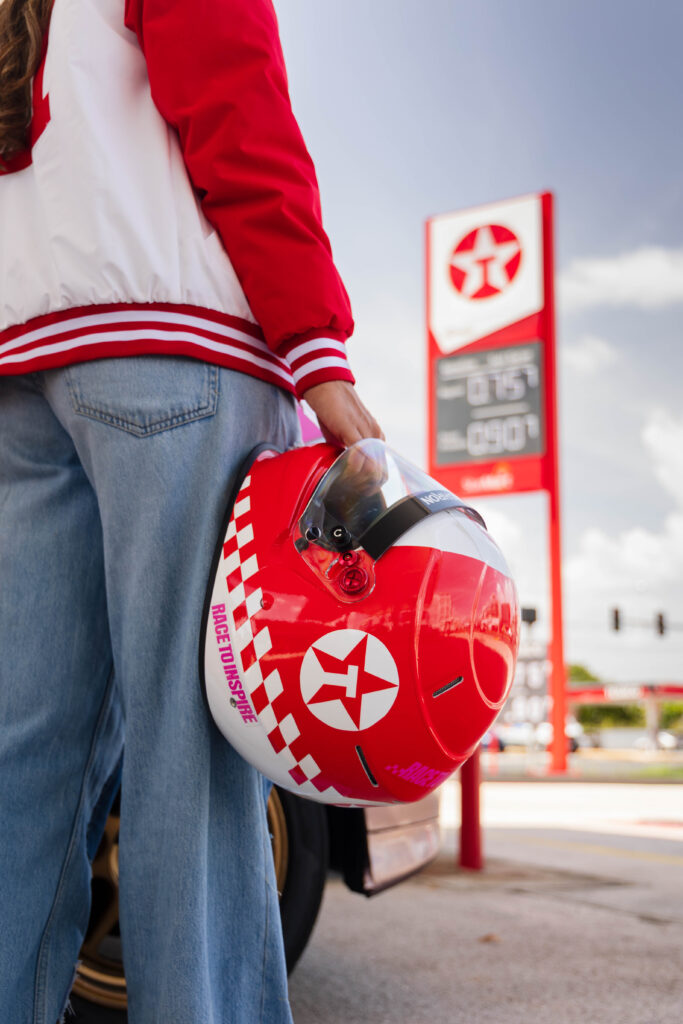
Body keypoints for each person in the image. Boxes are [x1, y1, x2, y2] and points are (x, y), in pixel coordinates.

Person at [0, 1, 382, 1021]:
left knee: (24, 763)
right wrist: (317, 348)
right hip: (173, 348)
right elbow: (236, 109)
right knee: (196, 748)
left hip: (20, 364)